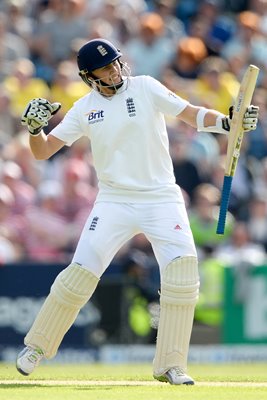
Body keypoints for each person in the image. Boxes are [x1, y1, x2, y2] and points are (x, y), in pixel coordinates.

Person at [16, 38, 259, 385]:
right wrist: (35, 129)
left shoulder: (145, 87)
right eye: (105, 68)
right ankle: (36, 347)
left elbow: (191, 114)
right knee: (79, 275)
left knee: (183, 275)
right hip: (114, 200)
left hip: (161, 198)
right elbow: (43, 152)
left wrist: (228, 121)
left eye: (115, 62)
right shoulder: (85, 108)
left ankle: (170, 365)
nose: (114, 70)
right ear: (89, 76)